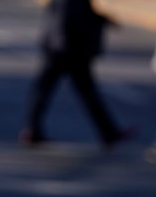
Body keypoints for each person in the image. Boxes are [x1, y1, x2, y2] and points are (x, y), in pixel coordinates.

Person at [20, 0, 133, 147]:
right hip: (69, 50)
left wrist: (102, 20)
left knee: (44, 90)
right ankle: (109, 133)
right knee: (86, 94)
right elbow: (68, 19)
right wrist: (71, 48)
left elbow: (78, 15)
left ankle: (32, 130)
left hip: (59, 47)